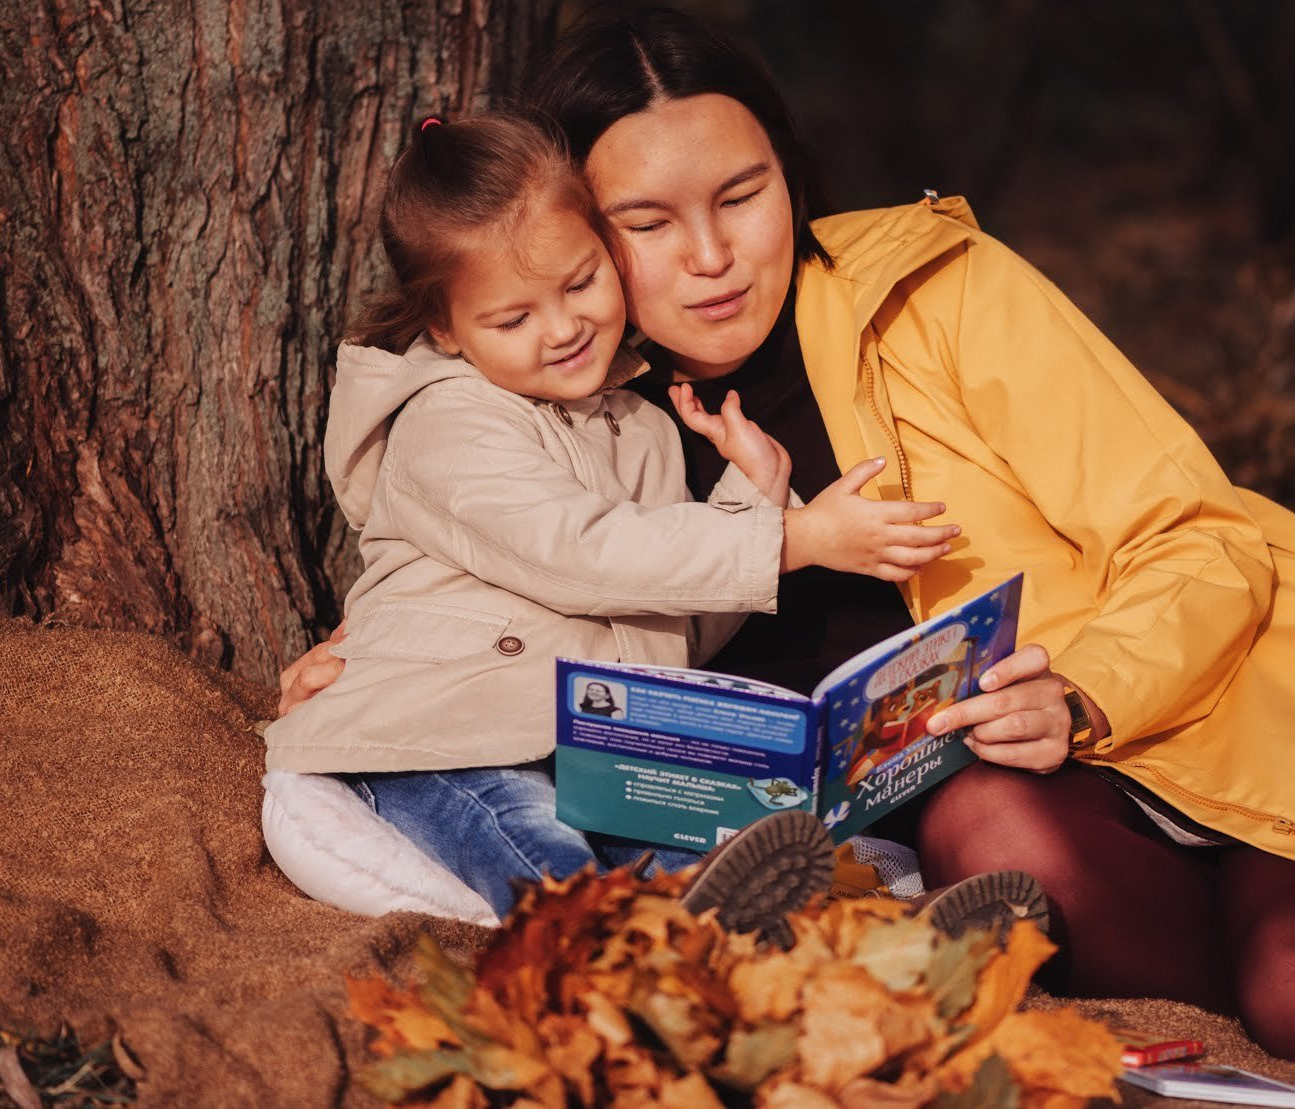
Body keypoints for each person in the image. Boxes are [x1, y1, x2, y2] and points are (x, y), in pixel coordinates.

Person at [280, 12, 1295, 1108]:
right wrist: (379, 656)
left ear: (793, 181)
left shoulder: (936, 296)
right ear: (574, 230)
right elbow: (487, 536)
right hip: (986, 835)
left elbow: (1203, 534)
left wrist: (1084, 693)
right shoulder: (578, 402)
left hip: (1193, 748)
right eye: (647, 219)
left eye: (744, 197)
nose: (707, 256)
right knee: (1000, 834)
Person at [261, 109, 970, 933]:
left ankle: (879, 937)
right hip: (440, 741)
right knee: (537, 848)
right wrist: (792, 539)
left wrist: (753, 489)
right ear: (446, 329)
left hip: (593, 749)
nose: (562, 328)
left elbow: (674, 624)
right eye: (513, 318)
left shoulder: (637, 426)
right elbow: (578, 551)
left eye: (579, 283)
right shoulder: (447, 421)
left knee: (722, 860)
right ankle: (616, 960)